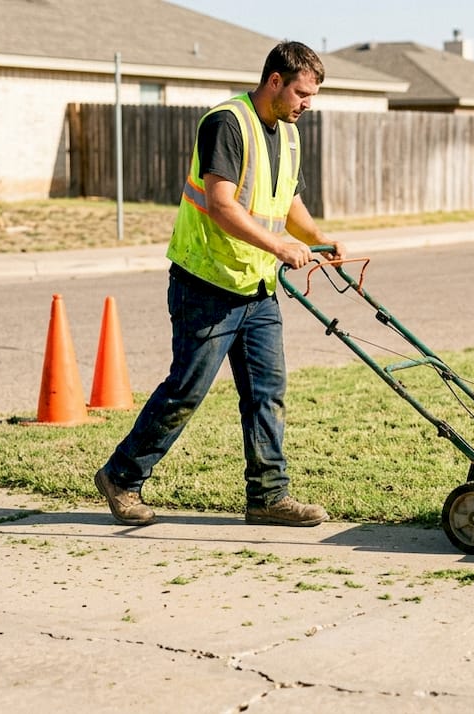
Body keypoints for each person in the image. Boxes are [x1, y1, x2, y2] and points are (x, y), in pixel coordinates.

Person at [94, 41, 344, 527]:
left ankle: (268, 496)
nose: (307, 104)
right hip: (207, 283)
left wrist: (317, 240)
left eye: (312, 95)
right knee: (186, 391)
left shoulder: (289, 134)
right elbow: (221, 204)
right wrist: (279, 247)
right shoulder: (227, 123)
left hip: (257, 288)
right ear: (275, 81)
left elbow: (288, 201)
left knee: (267, 392)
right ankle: (121, 476)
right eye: (302, 93)